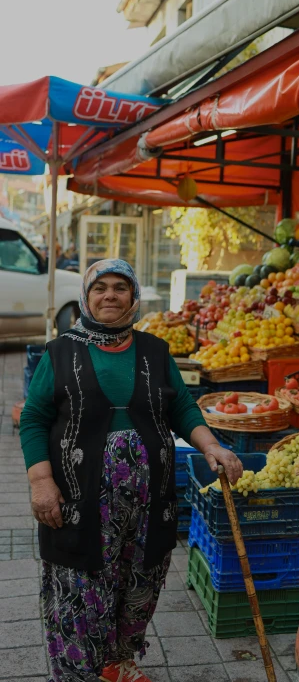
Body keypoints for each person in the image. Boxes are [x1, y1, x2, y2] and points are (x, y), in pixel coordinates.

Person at [19, 259, 242, 682]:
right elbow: (33, 418)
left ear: (133, 297)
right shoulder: (60, 350)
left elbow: (181, 407)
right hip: (79, 502)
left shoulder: (155, 349)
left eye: (120, 287)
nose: (109, 295)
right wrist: (41, 481)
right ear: (86, 297)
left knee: (139, 585)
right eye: (100, 287)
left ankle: (117, 664)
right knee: (79, 594)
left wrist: (211, 446)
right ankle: (76, 674)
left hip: (148, 502)